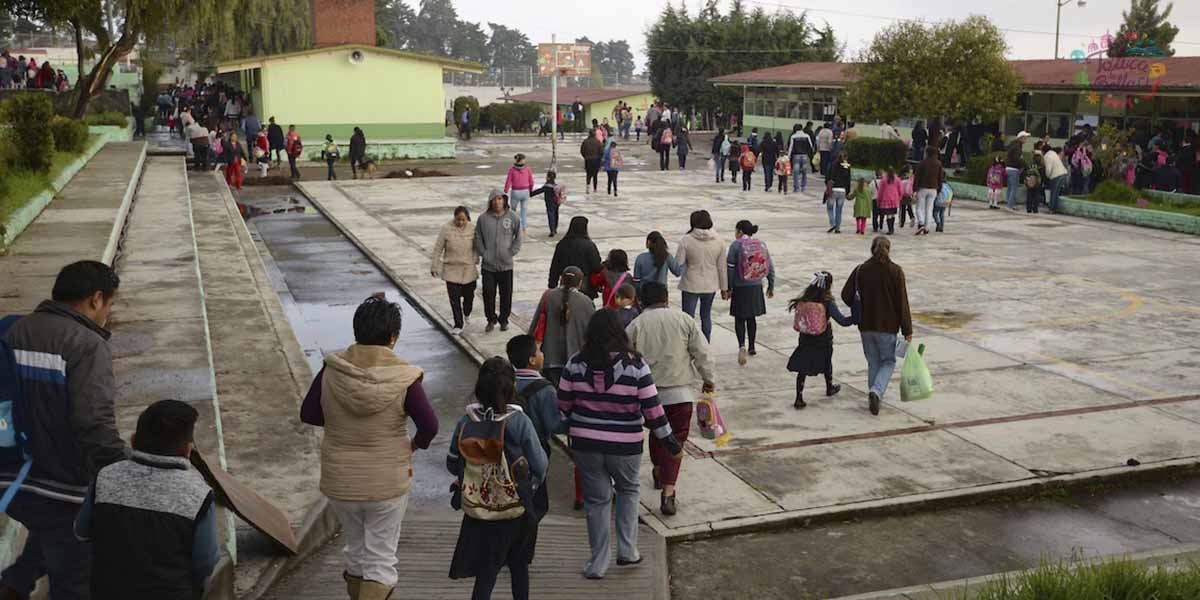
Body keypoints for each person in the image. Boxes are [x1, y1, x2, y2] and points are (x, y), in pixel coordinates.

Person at [0, 261, 127, 600]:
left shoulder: (11, 330)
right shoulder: (86, 345)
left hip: (9, 477)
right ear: (96, 299)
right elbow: (93, 424)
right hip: (57, 483)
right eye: (110, 304)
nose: (107, 313)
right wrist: (125, 471)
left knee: (50, 531)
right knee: (74, 577)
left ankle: (14, 584)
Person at [300, 295, 438, 600]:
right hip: (386, 483)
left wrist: (342, 423)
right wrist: (414, 445)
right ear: (392, 338)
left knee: (356, 550)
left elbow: (309, 413)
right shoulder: (405, 379)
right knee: (381, 559)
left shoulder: (331, 370)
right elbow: (430, 425)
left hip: (340, 482)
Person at [557, 310, 681, 579]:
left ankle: (598, 564)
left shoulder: (575, 364)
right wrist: (668, 440)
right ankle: (628, 551)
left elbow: (563, 407)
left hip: (586, 445)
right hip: (625, 446)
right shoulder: (636, 365)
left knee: (597, 501)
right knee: (628, 491)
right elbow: (652, 408)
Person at [76, 400, 218, 600]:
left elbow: (81, 532)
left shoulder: (105, 477)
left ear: (133, 441)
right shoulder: (199, 495)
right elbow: (205, 562)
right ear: (187, 450)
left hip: (107, 591)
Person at [447, 357, 546, 600]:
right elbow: (540, 465)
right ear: (511, 388)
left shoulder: (466, 422)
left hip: (479, 510)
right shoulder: (520, 422)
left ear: (479, 388)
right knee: (519, 566)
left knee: (487, 569)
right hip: (517, 509)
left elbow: (452, 463)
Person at [624, 281, 713, 515]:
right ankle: (668, 491)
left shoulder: (636, 324)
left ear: (641, 301)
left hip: (649, 395)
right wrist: (708, 378)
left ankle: (659, 471)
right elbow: (701, 352)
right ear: (667, 297)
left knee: (657, 434)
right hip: (680, 393)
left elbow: (625, 358)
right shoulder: (684, 319)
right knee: (676, 441)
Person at [840, 237, 913, 416]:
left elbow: (845, 294)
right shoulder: (896, 271)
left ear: (872, 249)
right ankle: (876, 392)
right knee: (888, 361)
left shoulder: (861, 270)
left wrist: (857, 305)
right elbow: (902, 302)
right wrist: (907, 329)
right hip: (887, 326)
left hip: (866, 325)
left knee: (873, 361)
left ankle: (874, 392)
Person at [506, 335, 566, 516]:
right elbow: (555, 425)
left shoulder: (507, 383)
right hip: (534, 450)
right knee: (536, 505)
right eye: (539, 351)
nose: (543, 354)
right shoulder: (545, 389)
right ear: (532, 360)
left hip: (508, 449)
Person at [787, 272, 854, 409]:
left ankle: (799, 397)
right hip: (823, 338)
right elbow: (842, 321)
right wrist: (856, 316)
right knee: (826, 362)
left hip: (805, 338)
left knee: (803, 368)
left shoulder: (805, 298)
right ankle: (829, 387)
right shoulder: (827, 302)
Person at [529, 266, 594, 387]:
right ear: (580, 283)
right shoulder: (586, 302)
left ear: (561, 279)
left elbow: (535, 324)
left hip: (550, 357)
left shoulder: (548, 296)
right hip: (576, 359)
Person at [724, 220, 774, 365]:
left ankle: (741, 345)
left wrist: (728, 287)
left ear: (739, 231)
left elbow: (730, 268)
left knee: (739, 318)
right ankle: (752, 346)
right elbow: (769, 267)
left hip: (740, 287)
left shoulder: (736, 245)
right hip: (756, 286)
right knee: (751, 318)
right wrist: (771, 286)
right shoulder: (761, 244)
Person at [676, 210, 727, 342]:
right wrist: (724, 288)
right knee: (706, 316)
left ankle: (688, 344)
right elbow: (722, 267)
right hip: (710, 285)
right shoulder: (719, 240)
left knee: (688, 318)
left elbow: (678, 263)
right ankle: (706, 344)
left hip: (690, 284)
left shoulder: (686, 240)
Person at [475, 189, 522, 333]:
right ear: (490, 202)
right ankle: (490, 319)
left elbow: (518, 237)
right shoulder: (483, 218)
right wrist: (484, 253)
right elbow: (478, 237)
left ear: (504, 200)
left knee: (506, 294)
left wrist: (511, 252)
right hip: (488, 266)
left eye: (500, 199)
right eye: (494, 199)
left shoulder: (513, 217)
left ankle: (504, 320)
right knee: (488, 294)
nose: (497, 202)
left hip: (506, 265)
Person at [432, 206, 480, 335]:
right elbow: (438, 248)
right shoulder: (446, 229)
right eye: (458, 220)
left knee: (469, 296)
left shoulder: (472, 228)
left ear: (467, 219)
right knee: (454, 299)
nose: (460, 223)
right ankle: (458, 323)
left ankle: (467, 312)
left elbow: (476, 246)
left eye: (463, 220)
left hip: (468, 269)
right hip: (451, 269)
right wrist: (434, 265)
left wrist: (476, 257)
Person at [547, 216, 602, 298]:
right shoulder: (589, 245)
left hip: (565, 284)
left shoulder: (562, 244)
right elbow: (596, 267)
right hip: (585, 286)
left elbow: (555, 266)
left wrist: (552, 285)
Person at [913, 147, 945, 236]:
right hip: (934, 189)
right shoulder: (939, 164)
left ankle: (921, 223)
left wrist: (914, 189)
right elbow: (940, 178)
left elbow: (917, 177)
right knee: (929, 209)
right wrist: (939, 189)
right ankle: (927, 228)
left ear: (926, 153)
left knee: (919, 208)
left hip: (922, 188)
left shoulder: (922, 163)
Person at [503, 153, 534, 233]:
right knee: (524, 211)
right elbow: (531, 181)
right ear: (523, 160)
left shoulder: (512, 169)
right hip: (525, 191)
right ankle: (524, 228)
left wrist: (506, 190)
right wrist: (531, 190)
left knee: (513, 210)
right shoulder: (528, 169)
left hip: (515, 191)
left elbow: (508, 181)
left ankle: (514, 227)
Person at [528, 171, 565, 236]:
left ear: (548, 178)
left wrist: (530, 194)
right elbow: (559, 194)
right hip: (556, 203)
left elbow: (539, 191)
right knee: (556, 215)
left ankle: (552, 230)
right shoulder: (556, 186)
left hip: (550, 203)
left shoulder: (547, 186)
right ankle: (555, 228)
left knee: (551, 215)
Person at [826, 152, 851, 233]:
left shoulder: (834, 165)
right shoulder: (847, 166)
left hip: (834, 189)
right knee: (839, 210)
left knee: (830, 208)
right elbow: (848, 180)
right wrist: (847, 191)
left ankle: (833, 223)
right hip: (842, 190)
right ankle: (838, 228)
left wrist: (827, 184)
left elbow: (829, 176)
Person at [788, 124, 815, 193]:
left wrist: (788, 157)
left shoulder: (793, 136)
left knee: (796, 172)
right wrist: (811, 155)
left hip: (796, 156)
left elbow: (791, 147)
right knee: (804, 172)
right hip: (804, 156)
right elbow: (810, 146)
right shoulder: (807, 136)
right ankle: (803, 187)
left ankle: (796, 188)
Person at [1005, 131, 1029, 210]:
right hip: (1013, 169)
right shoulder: (1017, 146)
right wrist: (1024, 165)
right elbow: (1017, 159)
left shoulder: (1013, 145)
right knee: (1014, 188)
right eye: (1025, 138)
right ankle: (1010, 205)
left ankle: (1010, 203)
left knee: (1010, 187)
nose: (1026, 140)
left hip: (1008, 168)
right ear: (1021, 138)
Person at [1043, 145, 1069, 214]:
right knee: (1056, 192)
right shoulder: (1054, 154)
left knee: (1053, 192)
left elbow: (1048, 168)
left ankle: (1051, 209)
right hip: (1063, 173)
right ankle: (1054, 208)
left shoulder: (1047, 156)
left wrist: (1047, 176)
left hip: (1056, 175)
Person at [876, 167, 901, 235]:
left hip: (886, 199)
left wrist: (879, 200)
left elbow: (881, 191)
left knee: (888, 214)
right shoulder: (897, 180)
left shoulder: (884, 180)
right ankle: (892, 228)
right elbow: (900, 189)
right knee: (892, 214)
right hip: (895, 199)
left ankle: (890, 229)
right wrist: (900, 196)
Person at [580, 130, 604, 194]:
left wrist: (585, 156)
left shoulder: (585, 141)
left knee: (588, 174)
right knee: (595, 175)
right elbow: (601, 151)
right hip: (596, 160)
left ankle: (588, 187)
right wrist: (600, 158)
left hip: (588, 160)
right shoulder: (598, 142)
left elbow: (582, 150)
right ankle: (595, 188)